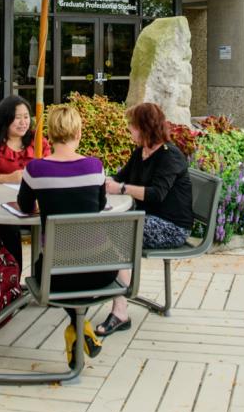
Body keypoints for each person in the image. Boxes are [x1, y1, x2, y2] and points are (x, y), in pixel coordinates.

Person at [17, 104, 114, 367]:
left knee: (56, 269)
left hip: (55, 274)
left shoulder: (35, 169)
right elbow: (99, 205)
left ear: (49, 134)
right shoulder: (95, 167)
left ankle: (78, 328)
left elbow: (25, 207)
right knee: (78, 267)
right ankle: (79, 328)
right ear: (78, 133)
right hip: (102, 270)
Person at [96, 101, 193, 337]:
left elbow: (157, 194)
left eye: (132, 125)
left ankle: (120, 310)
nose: (129, 128)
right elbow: (120, 177)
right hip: (147, 218)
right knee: (107, 228)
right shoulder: (141, 152)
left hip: (172, 227)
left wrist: (121, 189)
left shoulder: (170, 156)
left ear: (145, 127)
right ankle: (112, 289)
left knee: (118, 233)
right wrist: (103, 181)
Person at [0, 96, 50, 265]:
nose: (23, 122)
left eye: (26, 117)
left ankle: (46, 273)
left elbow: (50, 166)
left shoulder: (38, 141)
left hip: (32, 205)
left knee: (53, 222)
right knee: (9, 230)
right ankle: (12, 276)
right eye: (17, 117)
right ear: (5, 119)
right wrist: (8, 178)